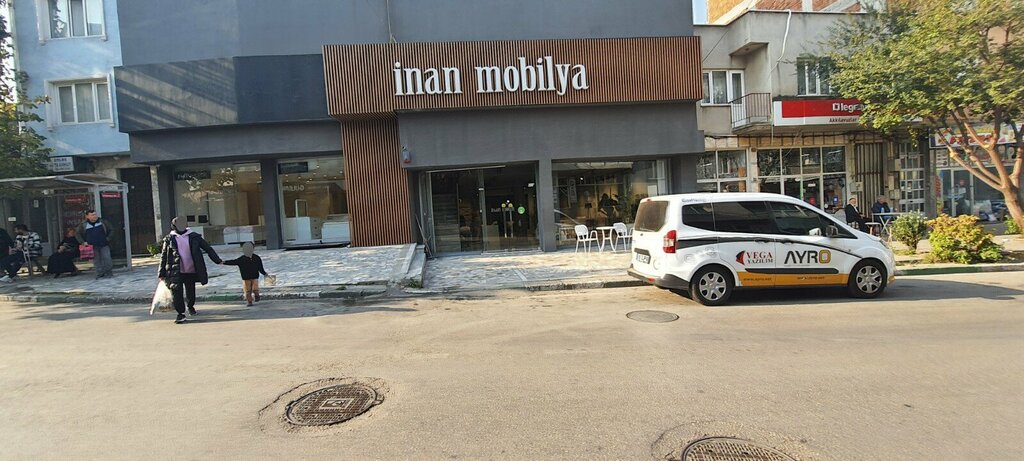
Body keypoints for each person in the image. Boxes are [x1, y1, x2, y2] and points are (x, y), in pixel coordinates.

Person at [158, 216, 223, 324]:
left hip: (191, 269)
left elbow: (208, 248)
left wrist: (217, 260)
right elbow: (164, 256)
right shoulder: (169, 239)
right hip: (175, 270)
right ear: (174, 226)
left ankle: (190, 306)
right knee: (176, 292)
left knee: (190, 291)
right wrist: (161, 273)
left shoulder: (194, 237)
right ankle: (180, 314)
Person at [221, 242, 271, 306]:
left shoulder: (257, 258)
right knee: (248, 290)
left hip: (255, 276)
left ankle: (257, 295)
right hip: (246, 278)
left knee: (255, 289)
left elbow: (260, 267)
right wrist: (224, 262)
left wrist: (264, 273)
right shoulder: (242, 259)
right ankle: (249, 302)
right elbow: (233, 262)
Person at [76, 210, 114, 279]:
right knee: (96, 261)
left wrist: (108, 239)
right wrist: (83, 242)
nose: (94, 216)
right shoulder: (83, 225)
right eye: (92, 215)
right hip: (92, 246)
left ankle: (109, 272)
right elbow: (77, 234)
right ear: (87, 216)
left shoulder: (103, 222)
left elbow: (111, 230)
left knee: (107, 258)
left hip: (104, 244)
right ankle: (100, 273)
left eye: (95, 214)